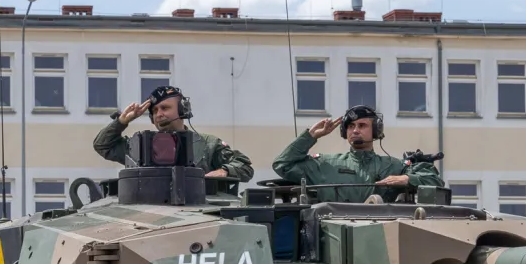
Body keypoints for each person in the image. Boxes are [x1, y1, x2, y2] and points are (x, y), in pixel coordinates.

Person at [272, 105, 443, 202]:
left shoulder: (393, 166)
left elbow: (434, 180)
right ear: (344, 132)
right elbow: (283, 165)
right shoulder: (325, 164)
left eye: (362, 126)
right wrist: (310, 136)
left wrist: (406, 179)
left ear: (376, 130)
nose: (355, 130)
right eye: (350, 126)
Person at [93, 85, 253, 181]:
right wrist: (122, 121)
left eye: (165, 108)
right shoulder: (140, 146)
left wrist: (223, 171)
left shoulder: (207, 144)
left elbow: (244, 166)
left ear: (183, 110)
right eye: (155, 111)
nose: (159, 114)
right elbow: (103, 145)